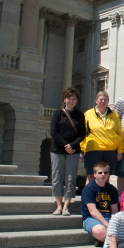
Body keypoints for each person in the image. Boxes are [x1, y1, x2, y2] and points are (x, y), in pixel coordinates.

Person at [49, 87, 86, 215]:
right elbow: (53, 132)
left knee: (71, 178)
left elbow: (82, 134)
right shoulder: (57, 114)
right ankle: (58, 205)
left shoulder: (80, 115)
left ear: (77, 101)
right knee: (57, 177)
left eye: (74, 99)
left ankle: (66, 206)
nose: (71, 101)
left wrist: (73, 146)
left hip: (73, 151)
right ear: (64, 99)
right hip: (57, 150)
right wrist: (66, 145)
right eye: (69, 99)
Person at [81, 91, 124, 183]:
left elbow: (120, 133)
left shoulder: (114, 115)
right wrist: (82, 149)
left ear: (108, 101)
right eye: (101, 99)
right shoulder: (88, 114)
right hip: (93, 150)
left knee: (106, 176)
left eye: (105, 100)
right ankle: (89, 196)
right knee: (91, 175)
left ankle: (105, 196)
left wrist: (120, 151)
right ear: (96, 101)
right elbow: (82, 133)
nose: (103, 101)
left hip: (110, 150)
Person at [80, 161, 119, 244]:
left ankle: (104, 242)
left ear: (108, 174)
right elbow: (92, 211)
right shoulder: (88, 189)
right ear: (94, 174)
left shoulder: (112, 189)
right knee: (100, 231)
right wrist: (107, 225)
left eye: (105, 172)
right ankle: (111, 243)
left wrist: (113, 222)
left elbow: (114, 210)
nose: (103, 175)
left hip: (108, 216)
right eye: (100, 173)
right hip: (91, 218)